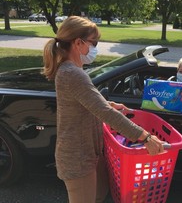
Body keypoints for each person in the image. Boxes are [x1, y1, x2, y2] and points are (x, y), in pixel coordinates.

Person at [42, 16, 164, 203]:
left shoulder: (73, 70)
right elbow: (104, 113)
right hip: (78, 158)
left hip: (87, 153)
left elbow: (87, 102)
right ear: (78, 43)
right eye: (94, 42)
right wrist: (145, 137)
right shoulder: (72, 73)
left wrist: (108, 104)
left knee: (99, 196)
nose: (96, 48)